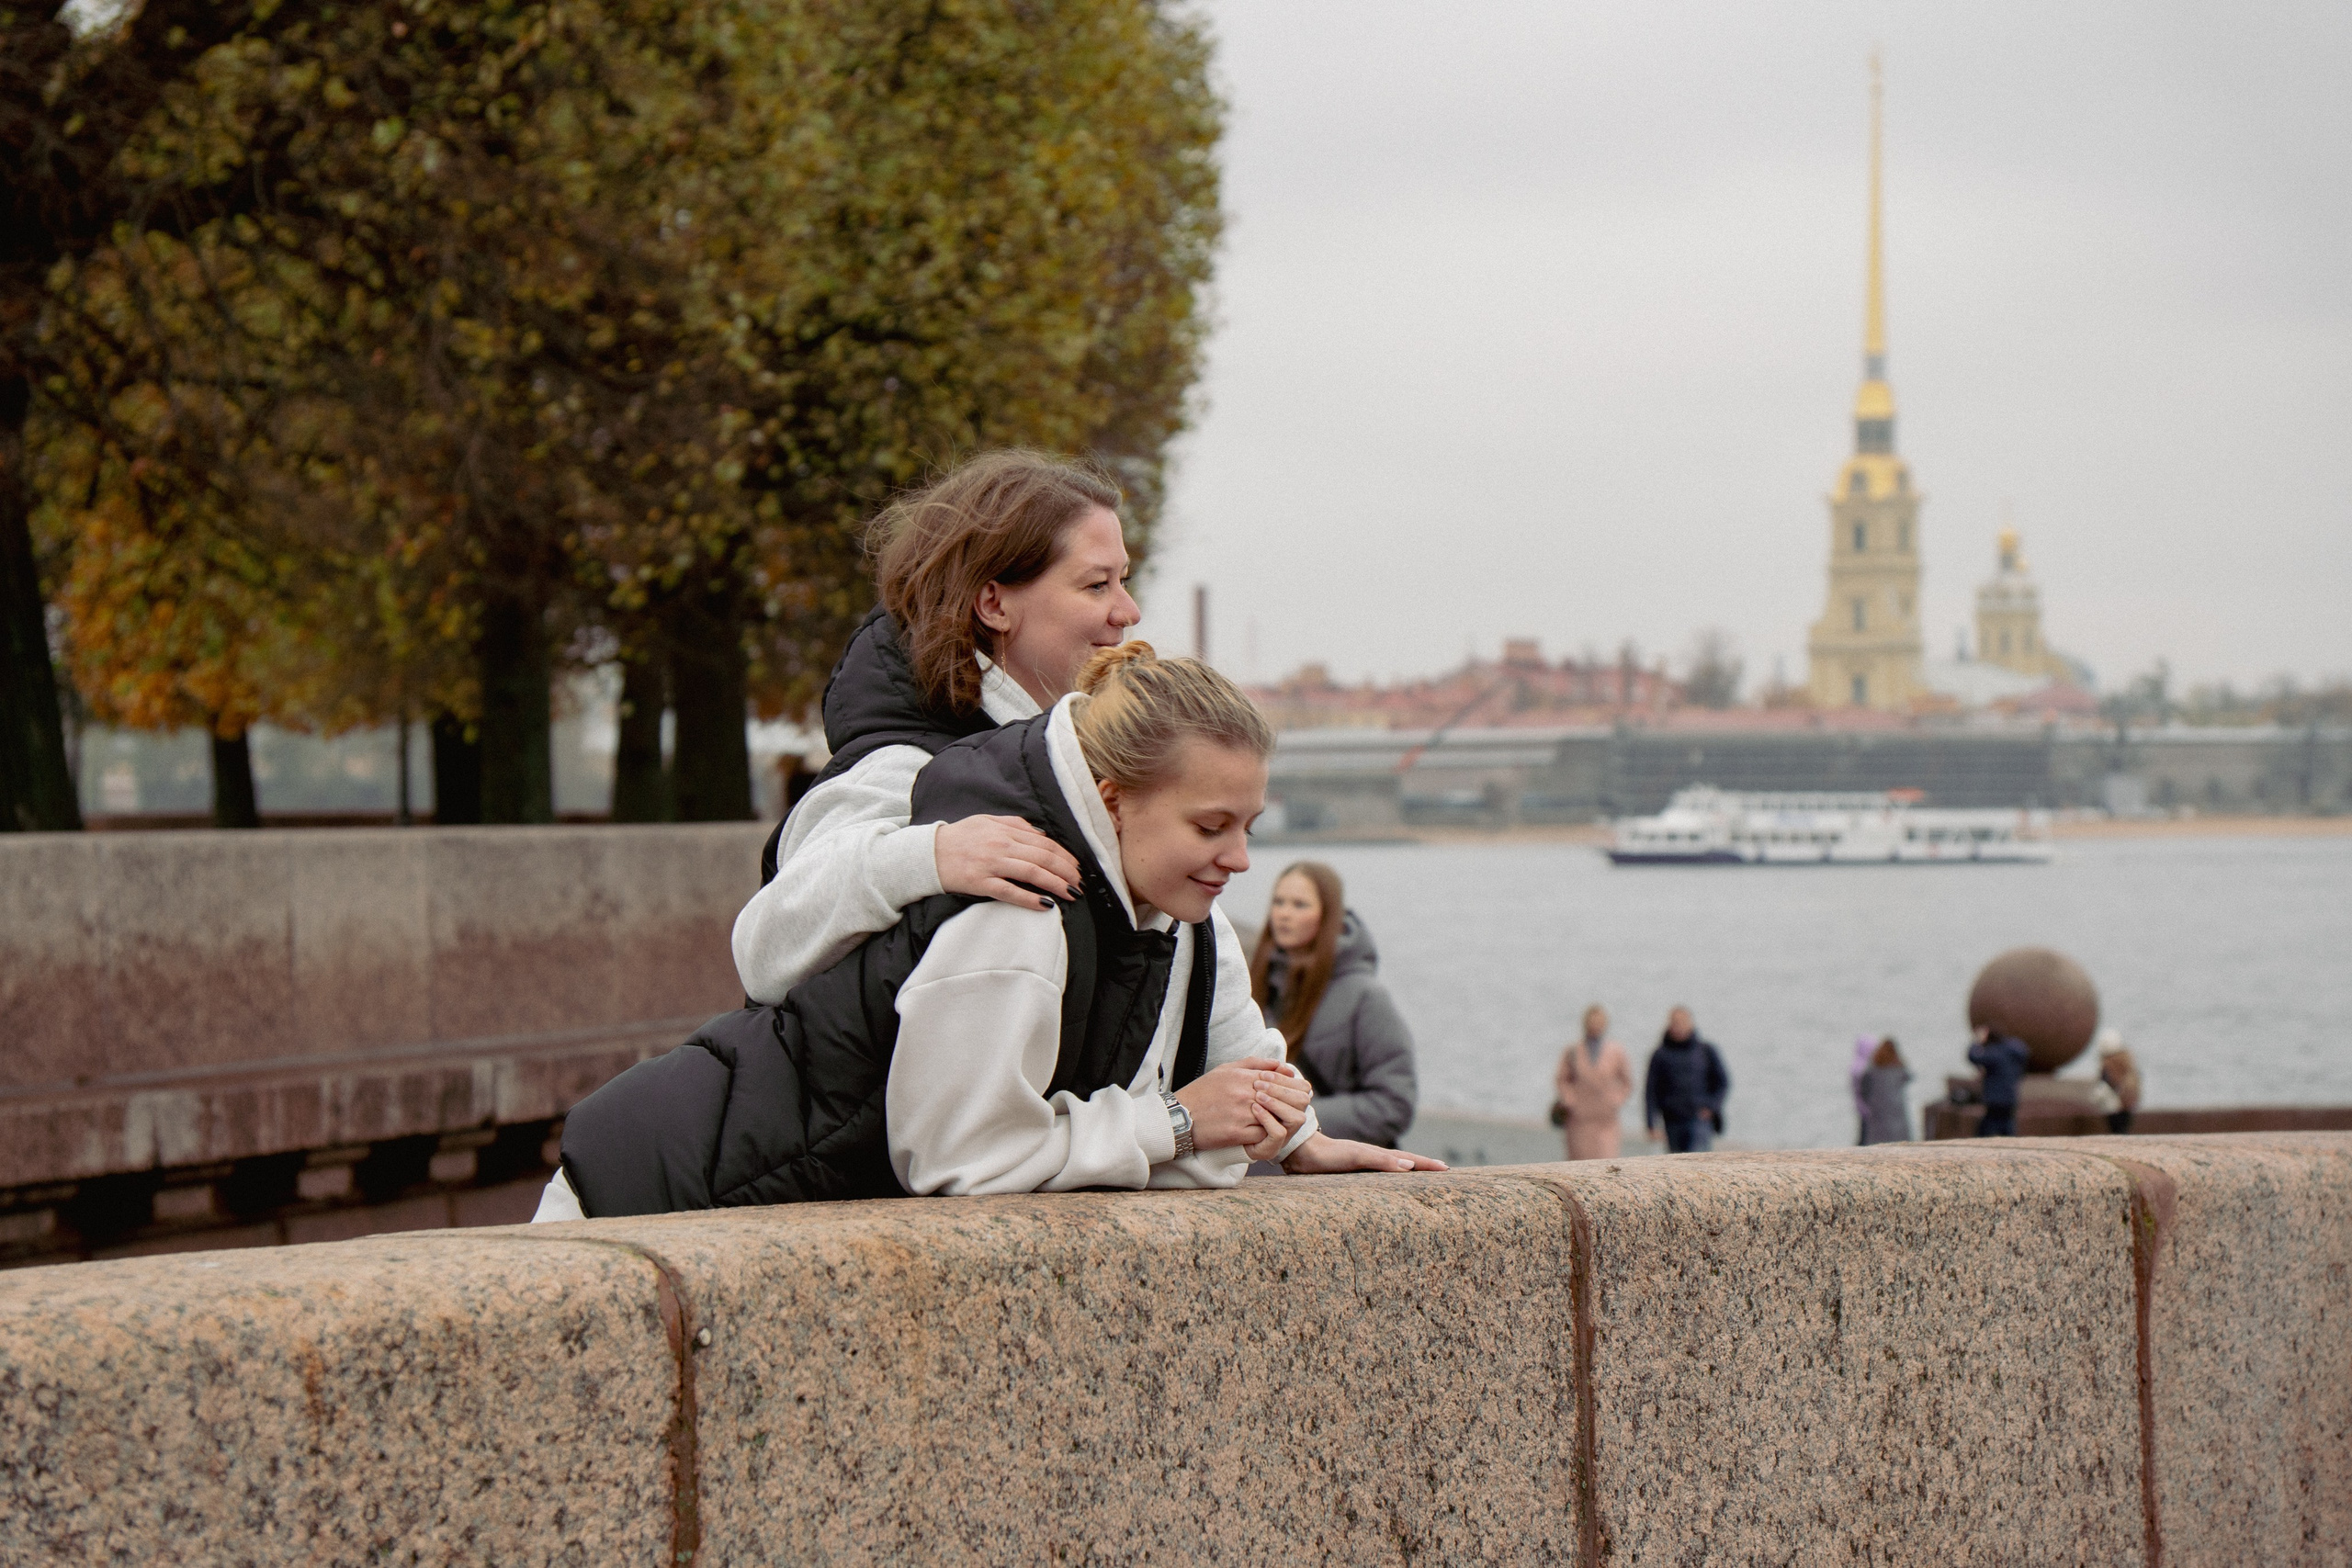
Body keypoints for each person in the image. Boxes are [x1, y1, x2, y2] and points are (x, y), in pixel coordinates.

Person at [538, 643, 1445, 1220]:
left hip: (730, 1210)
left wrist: (1297, 1139)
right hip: (638, 1203)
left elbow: (1232, 1040)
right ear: (1112, 800)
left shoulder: (1158, 907)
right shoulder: (1018, 911)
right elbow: (954, 1155)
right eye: (1212, 828)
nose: (1241, 860)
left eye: (1250, 826)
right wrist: (1174, 1120)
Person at [731, 450, 1140, 1007]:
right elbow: (765, 948)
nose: (1129, 610)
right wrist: (932, 855)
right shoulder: (904, 767)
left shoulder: (1062, 757)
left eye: (1123, 580)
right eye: (1098, 585)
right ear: (994, 604)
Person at [1248, 862, 1418, 1147]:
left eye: (1300, 904)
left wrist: (1297, 1117)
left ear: (1328, 916)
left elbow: (1393, 1106)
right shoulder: (1256, 986)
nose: (1284, 913)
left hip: (1339, 1163)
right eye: (1279, 902)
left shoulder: (1366, 997)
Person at [1643, 1007, 1730, 1155]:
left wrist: (1712, 1106)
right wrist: (1651, 1124)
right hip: (1672, 1120)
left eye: (1682, 1022)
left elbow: (1723, 1082)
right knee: (1677, 1164)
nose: (1678, 1026)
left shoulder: (1706, 1051)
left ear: (1690, 1023)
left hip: (1699, 1118)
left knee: (1699, 1160)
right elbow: (1651, 1092)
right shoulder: (1660, 1055)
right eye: (1675, 1022)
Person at [1553, 1004, 1634, 1160]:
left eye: (1599, 1021)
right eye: (1592, 1021)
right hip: (1579, 1120)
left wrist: (1616, 1100)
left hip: (1606, 1121)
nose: (1595, 1025)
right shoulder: (1573, 1051)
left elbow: (1627, 1082)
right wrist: (1570, 1099)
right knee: (1579, 1166)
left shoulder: (1616, 1051)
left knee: (1606, 1165)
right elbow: (1562, 1079)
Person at [1967, 1023, 2031, 1137]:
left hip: (1995, 1099)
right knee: (2007, 1125)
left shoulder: (1994, 1054)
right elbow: (2025, 1052)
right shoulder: (2013, 1050)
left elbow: (1973, 1057)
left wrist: (1977, 1041)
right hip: (2010, 1096)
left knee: (1985, 1130)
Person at [1859, 1036, 1912, 1145]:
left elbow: (1863, 1089)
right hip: (1897, 1114)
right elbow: (1909, 1077)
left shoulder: (1872, 1070)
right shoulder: (1899, 1069)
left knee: (1877, 1143)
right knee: (1900, 1143)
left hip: (1878, 1114)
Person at [2095, 1029, 2142, 1135]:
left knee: (2116, 1126)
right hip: (2129, 1100)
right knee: (2124, 1127)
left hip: (2115, 1102)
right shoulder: (2128, 1060)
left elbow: (2106, 1080)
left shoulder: (2107, 1063)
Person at [1848, 1034, 1878, 1145]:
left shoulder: (1857, 1064)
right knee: (1866, 1135)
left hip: (1861, 1105)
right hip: (1866, 1106)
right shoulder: (1864, 1066)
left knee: (1864, 1133)